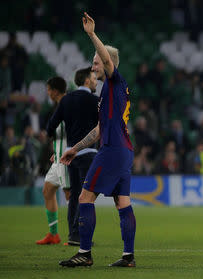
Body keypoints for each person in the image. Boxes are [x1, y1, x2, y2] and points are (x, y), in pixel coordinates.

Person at [59, 12, 135, 268]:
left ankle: (84, 253)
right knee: (122, 202)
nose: (93, 66)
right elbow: (99, 129)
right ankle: (128, 257)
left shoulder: (115, 82)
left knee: (84, 198)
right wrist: (75, 148)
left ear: (108, 63)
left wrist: (92, 34)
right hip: (123, 150)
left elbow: (105, 57)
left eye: (96, 63)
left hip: (112, 150)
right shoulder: (110, 93)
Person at [47, 67, 99, 246]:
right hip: (88, 153)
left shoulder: (66, 100)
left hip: (70, 155)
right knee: (87, 196)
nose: (95, 81)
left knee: (76, 195)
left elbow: (50, 126)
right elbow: (103, 125)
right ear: (86, 80)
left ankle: (73, 235)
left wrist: (59, 146)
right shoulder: (95, 100)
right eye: (93, 78)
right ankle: (83, 235)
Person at [35, 77, 70, 245]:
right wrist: (55, 151)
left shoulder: (68, 106)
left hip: (66, 158)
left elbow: (73, 131)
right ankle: (54, 234)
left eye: (49, 89)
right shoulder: (57, 108)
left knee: (70, 195)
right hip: (58, 158)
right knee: (47, 191)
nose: (47, 93)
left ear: (55, 91)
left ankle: (78, 236)